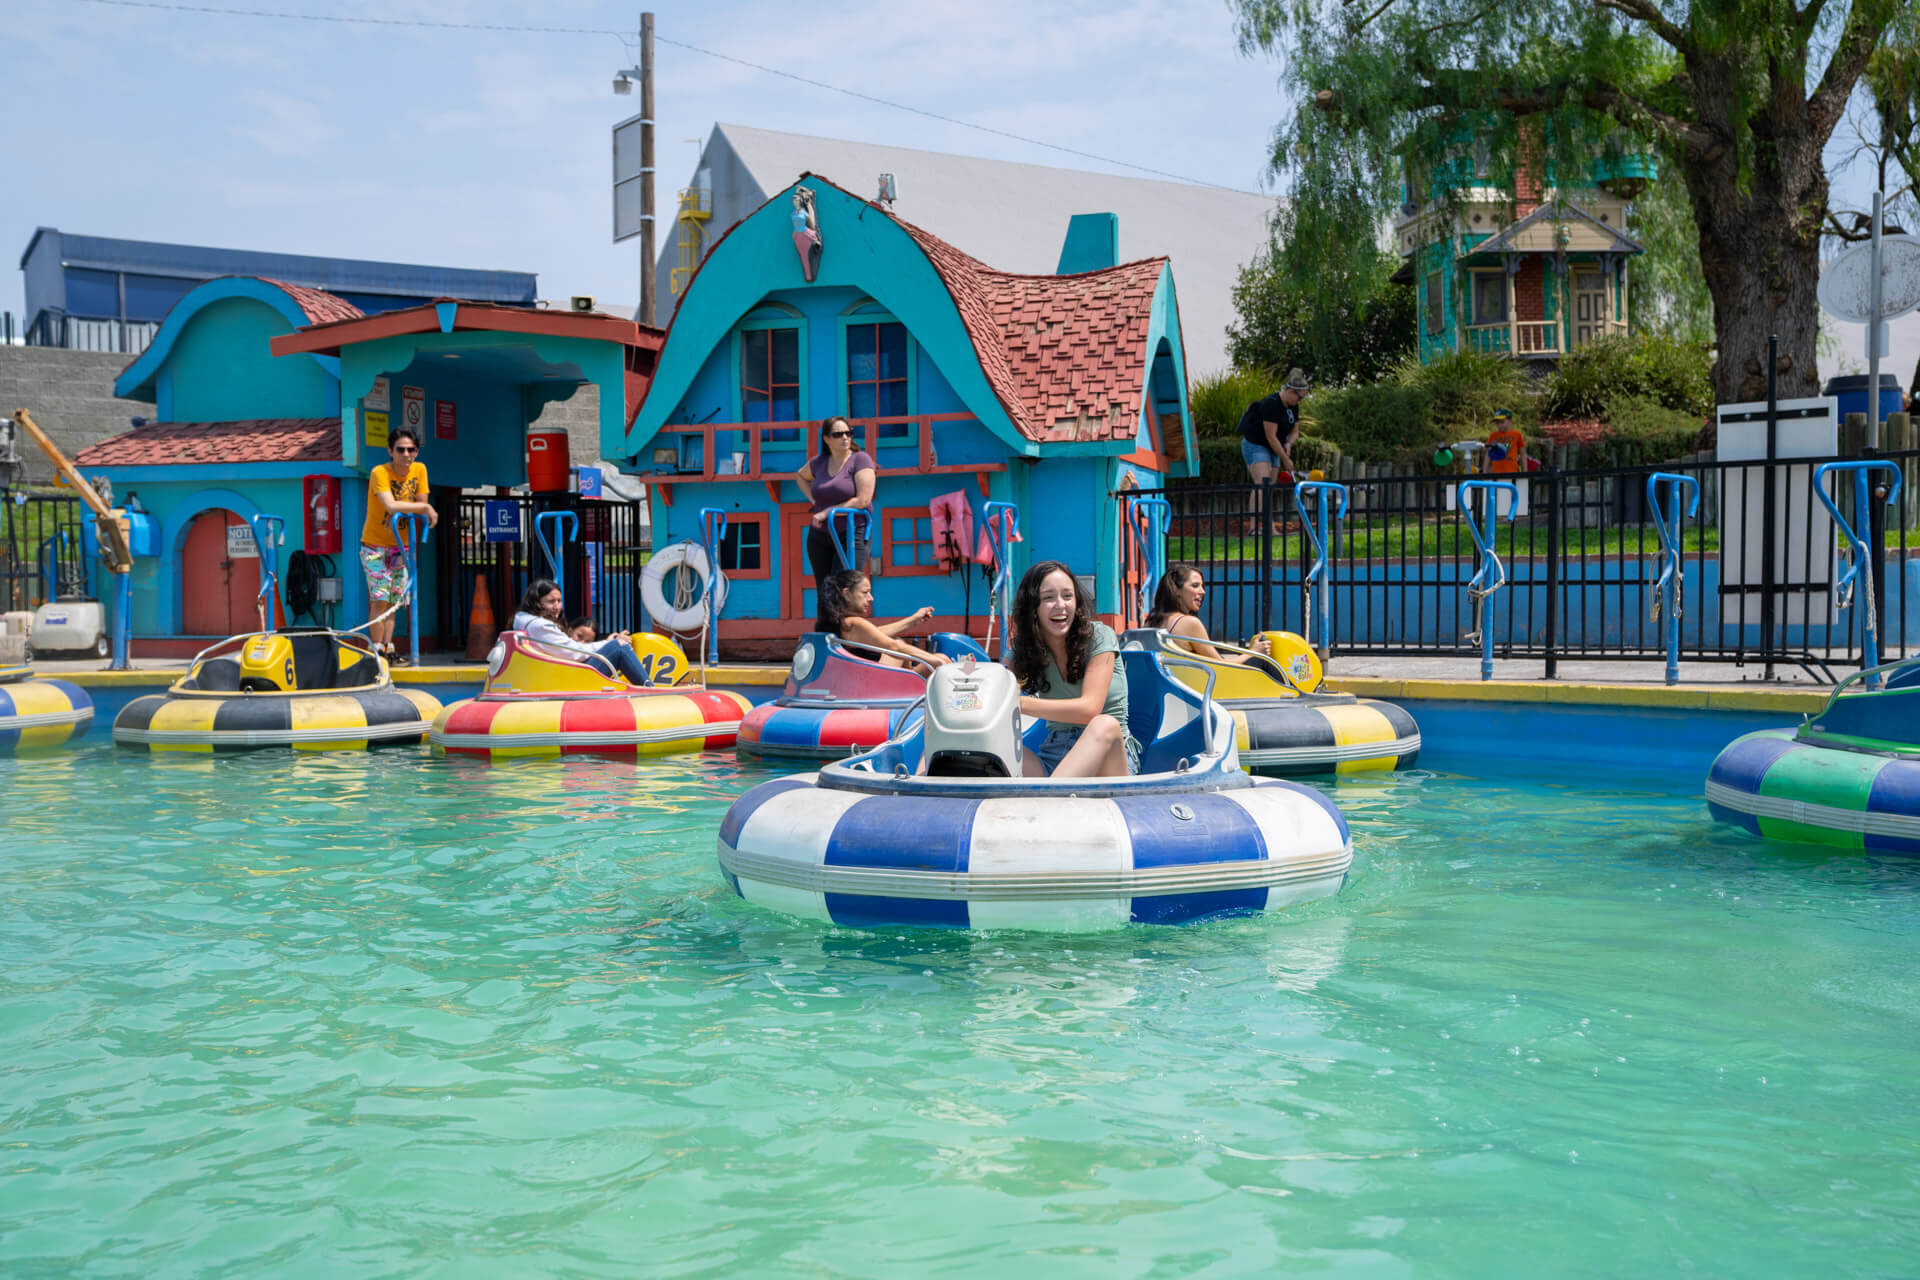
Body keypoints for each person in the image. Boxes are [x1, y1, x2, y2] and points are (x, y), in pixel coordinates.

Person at [1007, 561, 1138, 777]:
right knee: (991, 740)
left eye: (1067, 596)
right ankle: (933, 789)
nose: (1060, 605)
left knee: (1104, 724)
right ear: (1032, 607)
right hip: (1054, 757)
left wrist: (1019, 703)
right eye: (1048, 597)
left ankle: (1050, 798)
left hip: (1108, 758)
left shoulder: (1099, 636)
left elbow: (1089, 709)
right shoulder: (1027, 648)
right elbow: (996, 684)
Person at [358, 428, 437, 664]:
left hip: (401, 546)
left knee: (395, 601)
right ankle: (377, 651)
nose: (406, 454)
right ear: (390, 452)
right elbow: (391, 506)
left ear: (416, 452)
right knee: (379, 598)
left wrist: (423, 507)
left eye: (410, 449)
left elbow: (422, 500)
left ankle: (388, 648)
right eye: (400, 449)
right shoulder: (379, 473)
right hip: (375, 545)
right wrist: (424, 509)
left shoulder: (419, 470)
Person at [512, 579, 654, 686]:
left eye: (559, 601)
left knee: (614, 645)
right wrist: (608, 643)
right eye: (551, 601)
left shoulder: (523, 621)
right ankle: (649, 689)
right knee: (619, 647)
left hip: (557, 672)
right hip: (566, 678)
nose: (557, 607)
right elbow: (573, 652)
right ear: (536, 602)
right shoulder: (540, 626)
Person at [794, 415, 877, 584]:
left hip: (851, 531)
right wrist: (813, 500)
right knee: (825, 591)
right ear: (826, 439)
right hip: (820, 534)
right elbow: (800, 476)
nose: (845, 437)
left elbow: (863, 500)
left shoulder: (860, 460)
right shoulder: (819, 462)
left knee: (844, 588)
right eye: (838, 434)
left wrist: (826, 511)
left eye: (848, 433)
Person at [816, 569, 948, 671]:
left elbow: (874, 634)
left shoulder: (837, 623)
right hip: (870, 685)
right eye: (865, 592)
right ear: (847, 594)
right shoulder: (853, 624)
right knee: (942, 659)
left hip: (858, 680)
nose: (871, 598)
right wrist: (934, 660)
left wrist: (913, 620)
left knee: (898, 641)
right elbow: (893, 647)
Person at [1144, 564, 1273, 665]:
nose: (1202, 591)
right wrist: (1254, 652)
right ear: (1177, 590)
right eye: (1195, 586)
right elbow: (1221, 665)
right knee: (1265, 663)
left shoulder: (1151, 621)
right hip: (1198, 689)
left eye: (1202, 586)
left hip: (1174, 683)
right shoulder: (1189, 623)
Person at [1238, 368, 1310, 534]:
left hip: (1274, 447)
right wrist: (1286, 459)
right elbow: (1270, 436)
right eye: (1299, 397)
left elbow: (1295, 431)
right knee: (1261, 484)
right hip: (1256, 444)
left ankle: (1269, 528)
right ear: (1291, 391)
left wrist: (1289, 443)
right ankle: (1254, 528)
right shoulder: (1271, 404)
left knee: (1269, 487)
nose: (1299, 401)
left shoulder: (1293, 407)